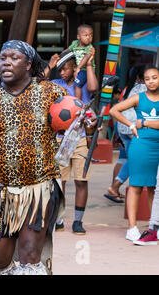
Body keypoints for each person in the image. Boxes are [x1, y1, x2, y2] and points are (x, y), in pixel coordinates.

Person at [0, 40, 75, 275]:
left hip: (39, 188)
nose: (6, 62)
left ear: (28, 64)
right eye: (3, 57)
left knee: (30, 255)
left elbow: (75, 118)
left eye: (13, 58)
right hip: (1, 190)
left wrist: (86, 121)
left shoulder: (50, 91)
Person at [50, 49, 97, 235]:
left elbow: (93, 88)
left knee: (81, 180)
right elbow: (36, 84)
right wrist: (50, 66)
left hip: (80, 137)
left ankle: (78, 221)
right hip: (60, 139)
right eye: (59, 69)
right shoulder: (54, 85)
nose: (62, 73)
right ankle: (59, 218)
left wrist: (87, 64)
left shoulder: (83, 83)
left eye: (65, 69)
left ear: (73, 67)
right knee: (59, 180)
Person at [110, 65, 159, 242]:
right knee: (136, 186)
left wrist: (144, 122)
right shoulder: (138, 97)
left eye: (154, 77)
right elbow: (114, 110)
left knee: (155, 188)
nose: (151, 81)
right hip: (141, 146)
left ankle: (155, 226)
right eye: (147, 79)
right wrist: (131, 125)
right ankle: (132, 228)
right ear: (143, 81)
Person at [105, 66, 146, 203]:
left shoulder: (127, 89)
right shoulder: (144, 89)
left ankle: (115, 189)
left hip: (122, 127)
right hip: (133, 128)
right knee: (134, 160)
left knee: (124, 159)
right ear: (141, 77)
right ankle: (114, 187)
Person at [66, 24, 98, 102]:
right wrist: (61, 55)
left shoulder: (89, 47)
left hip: (85, 70)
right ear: (78, 37)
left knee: (77, 85)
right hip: (79, 69)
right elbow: (68, 50)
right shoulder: (75, 43)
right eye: (86, 35)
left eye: (91, 35)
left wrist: (78, 68)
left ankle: (78, 102)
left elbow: (86, 57)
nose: (89, 38)